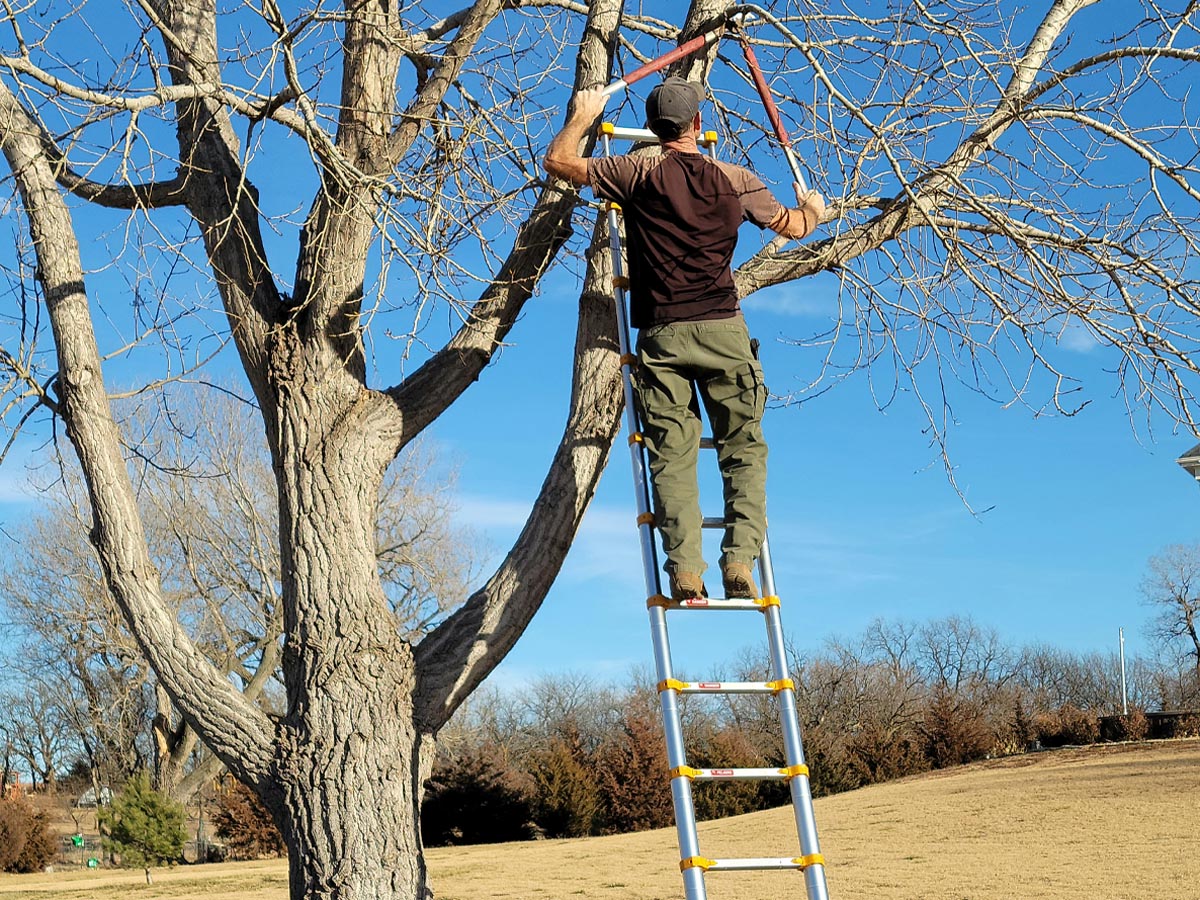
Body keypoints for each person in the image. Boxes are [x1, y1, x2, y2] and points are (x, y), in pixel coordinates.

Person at [544, 76, 825, 601]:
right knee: (743, 449)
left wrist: (583, 115)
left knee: (672, 456)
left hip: (663, 334)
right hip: (724, 331)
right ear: (699, 124)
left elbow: (558, 162)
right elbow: (793, 225)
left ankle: (686, 573)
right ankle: (740, 561)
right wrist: (814, 210)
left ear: (651, 128)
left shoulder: (634, 171)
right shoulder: (735, 179)